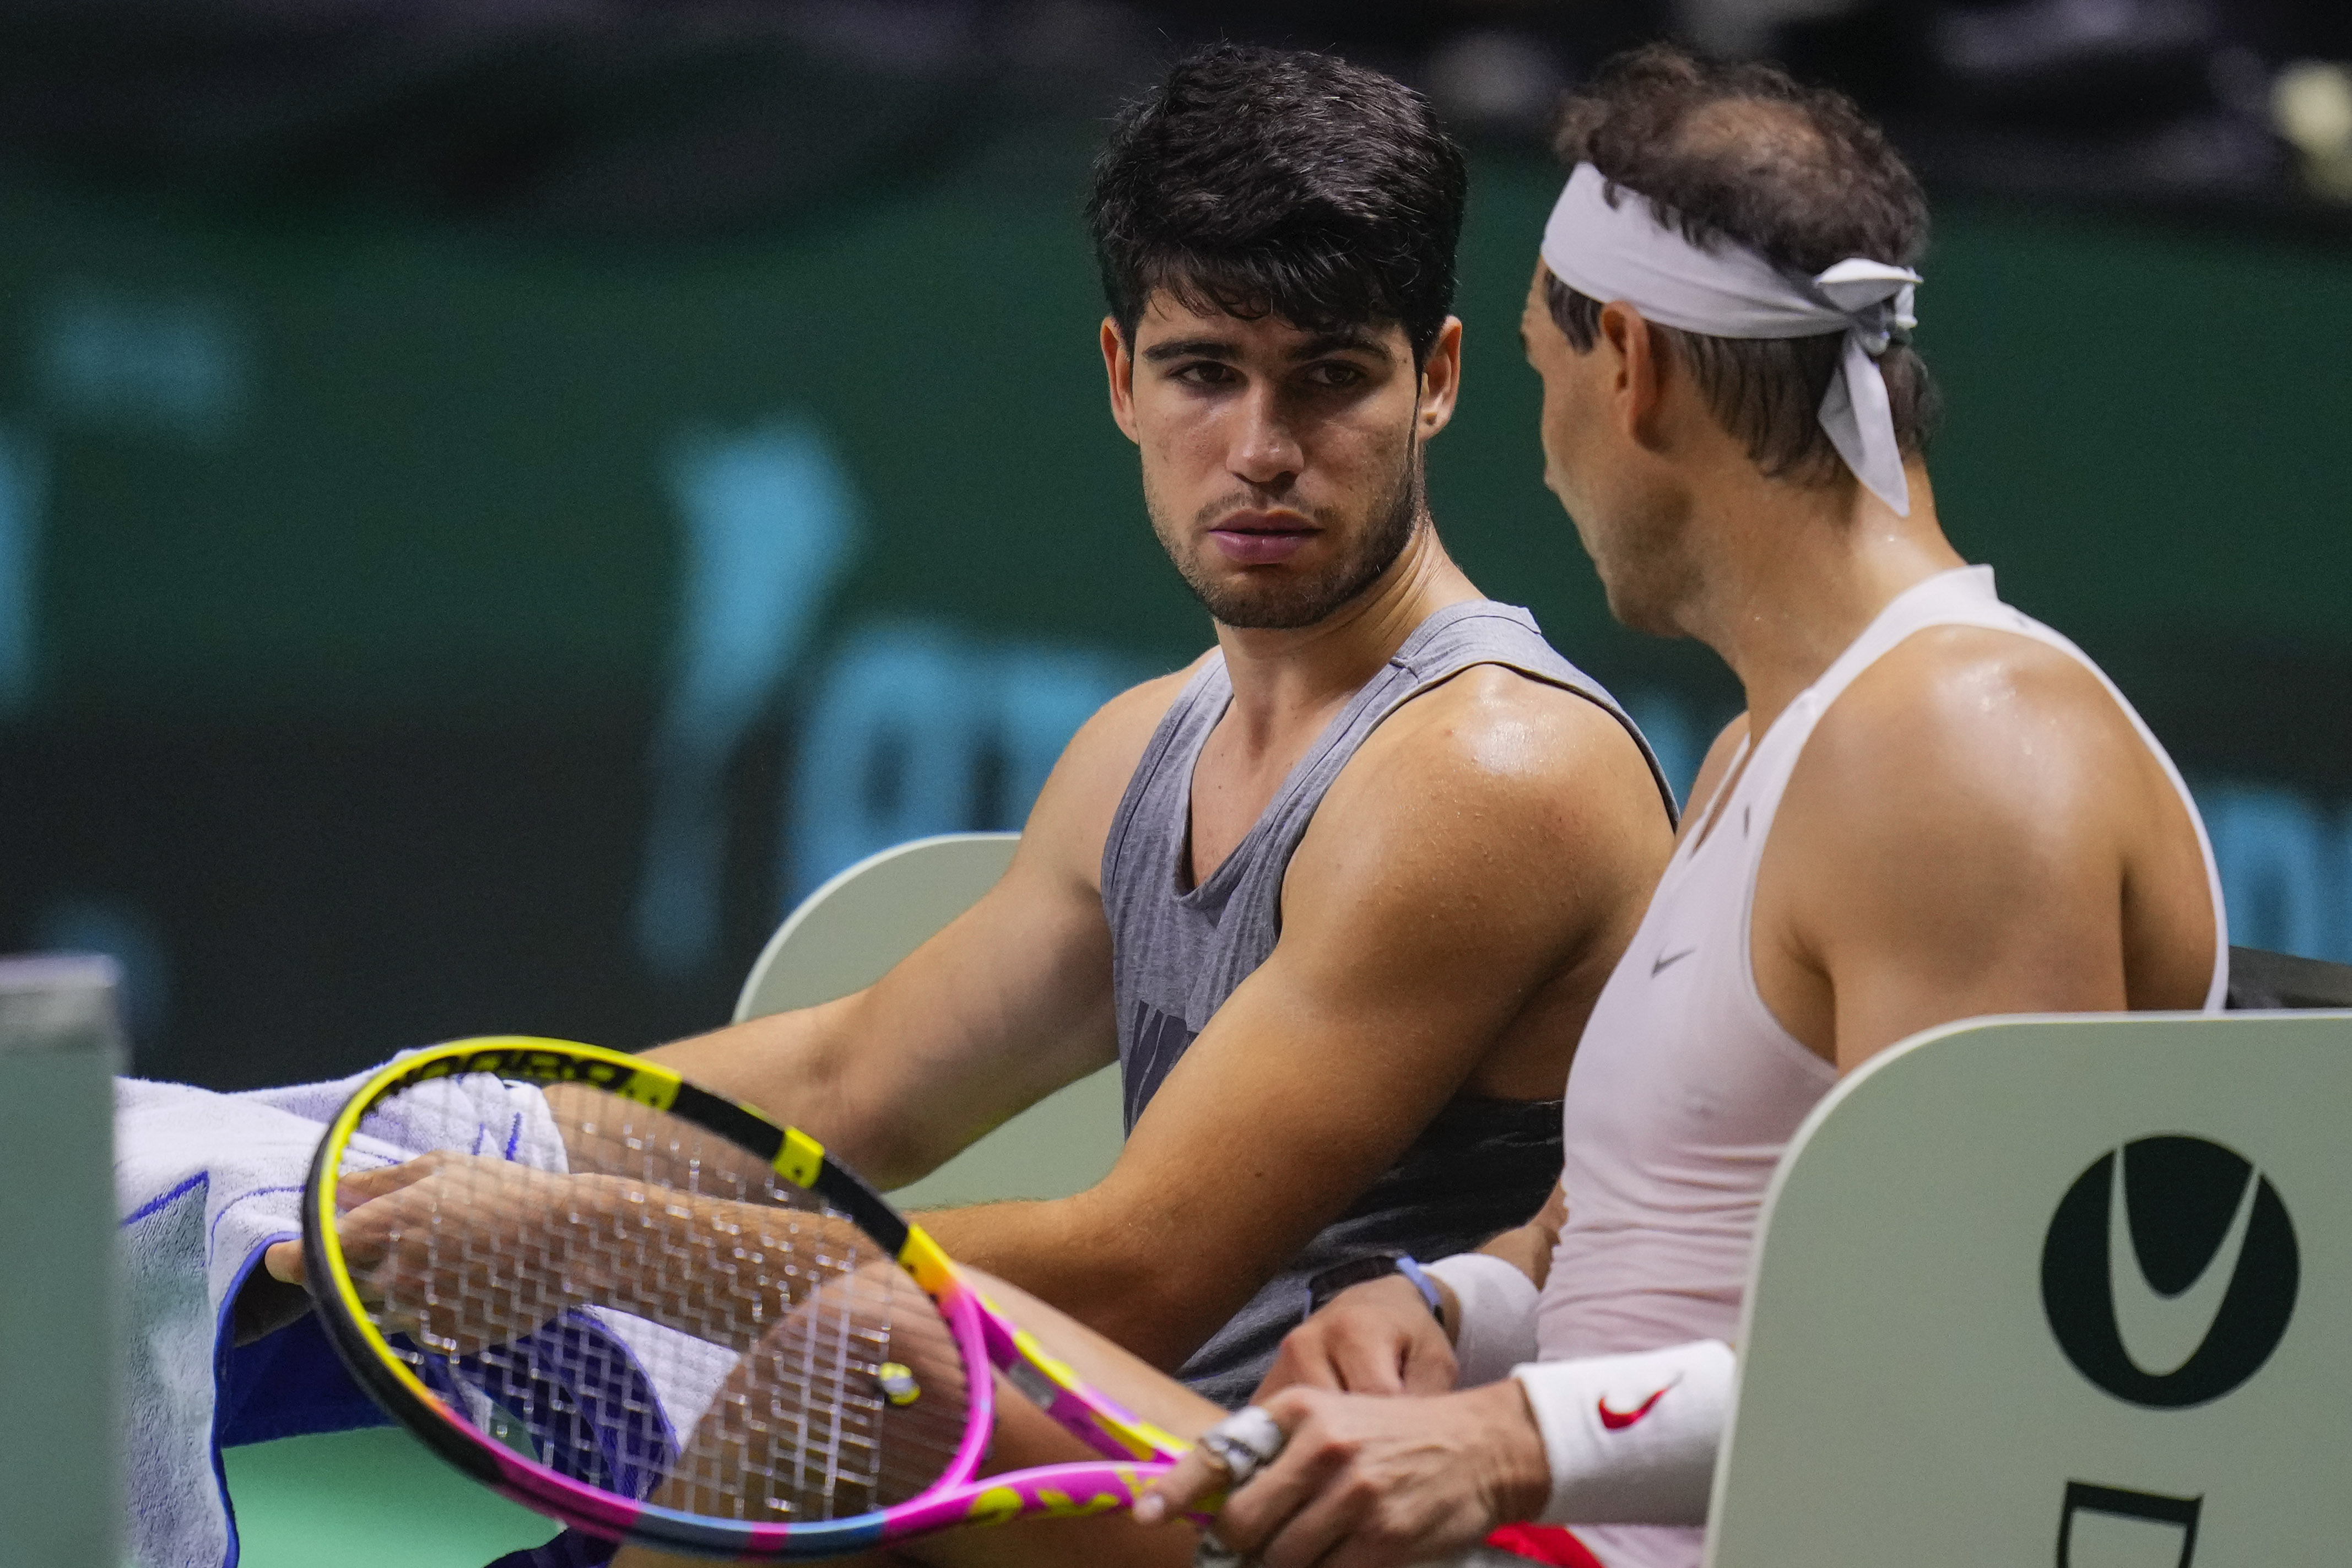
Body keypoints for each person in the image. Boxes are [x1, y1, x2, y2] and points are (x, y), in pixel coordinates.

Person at [262, 36, 1673, 1469]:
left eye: (1328, 379)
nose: (1261, 448)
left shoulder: (1494, 774)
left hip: (1357, 1511)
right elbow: (854, 1084)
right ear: (1123, 380)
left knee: (872, 1359)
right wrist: (411, 1151)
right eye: (1205, 373)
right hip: (1156, 1482)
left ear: (1433, 382)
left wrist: (582, 1241)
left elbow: (1143, 1270)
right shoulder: (1146, 746)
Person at [1127, 43, 2229, 1568]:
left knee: (899, 1383)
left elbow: (1993, 1357)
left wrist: (1508, 1441)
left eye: (1537, 370)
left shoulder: (1961, 751)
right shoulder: (1769, 756)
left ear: (1629, 364)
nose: (1544, 443)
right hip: (1563, 1533)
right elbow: (1648, 1232)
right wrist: (1459, 1305)